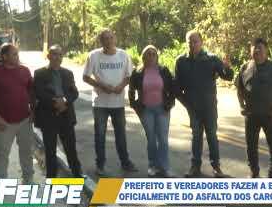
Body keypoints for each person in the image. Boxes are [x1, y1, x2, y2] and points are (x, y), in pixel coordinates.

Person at [174, 30, 234, 178]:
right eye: (190, 42)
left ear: (201, 42)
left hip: (209, 106)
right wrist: (187, 103)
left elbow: (227, 77)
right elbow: (177, 87)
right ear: (186, 43)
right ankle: (195, 167)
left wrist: (227, 67)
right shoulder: (181, 61)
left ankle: (216, 167)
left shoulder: (211, 59)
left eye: (195, 41)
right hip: (193, 108)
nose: (193, 44)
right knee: (196, 136)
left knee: (212, 136)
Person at [0, 43, 35, 197]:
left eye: (17, 54)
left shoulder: (24, 71)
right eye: (14, 54)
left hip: (25, 120)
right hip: (3, 122)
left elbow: (32, 92)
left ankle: (28, 179)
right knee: (2, 153)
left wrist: (33, 111)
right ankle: (0, 184)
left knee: (26, 151)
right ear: (4, 56)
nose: (17, 57)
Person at [82, 29, 137, 177]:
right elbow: (86, 77)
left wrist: (120, 86)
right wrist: (102, 86)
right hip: (100, 103)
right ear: (101, 41)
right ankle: (100, 165)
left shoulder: (123, 55)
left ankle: (125, 162)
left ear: (115, 39)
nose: (108, 41)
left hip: (118, 103)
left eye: (110, 38)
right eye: (105, 39)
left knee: (121, 134)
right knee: (100, 135)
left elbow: (129, 75)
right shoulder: (93, 56)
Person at [235, 38, 272, 178]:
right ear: (250, 50)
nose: (257, 50)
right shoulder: (245, 67)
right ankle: (254, 171)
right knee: (251, 146)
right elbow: (239, 89)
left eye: (260, 47)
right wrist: (241, 105)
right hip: (251, 115)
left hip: (269, 114)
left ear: (266, 50)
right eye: (254, 47)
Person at [34, 45, 86, 179]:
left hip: (66, 115)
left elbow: (74, 92)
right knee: (50, 150)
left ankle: (77, 173)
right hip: (48, 116)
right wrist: (54, 103)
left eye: (60, 54)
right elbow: (39, 93)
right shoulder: (39, 73)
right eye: (54, 54)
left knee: (70, 148)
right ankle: (51, 178)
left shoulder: (68, 73)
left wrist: (65, 102)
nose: (57, 57)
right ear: (48, 56)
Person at [129, 45, 175, 177]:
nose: (151, 56)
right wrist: (134, 105)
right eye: (148, 54)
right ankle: (152, 165)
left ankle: (164, 167)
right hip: (146, 110)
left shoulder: (164, 70)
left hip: (162, 109)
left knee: (163, 139)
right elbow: (131, 90)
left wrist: (170, 104)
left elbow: (172, 88)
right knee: (151, 139)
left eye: (153, 54)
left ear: (157, 56)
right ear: (143, 57)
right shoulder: (137, 72)